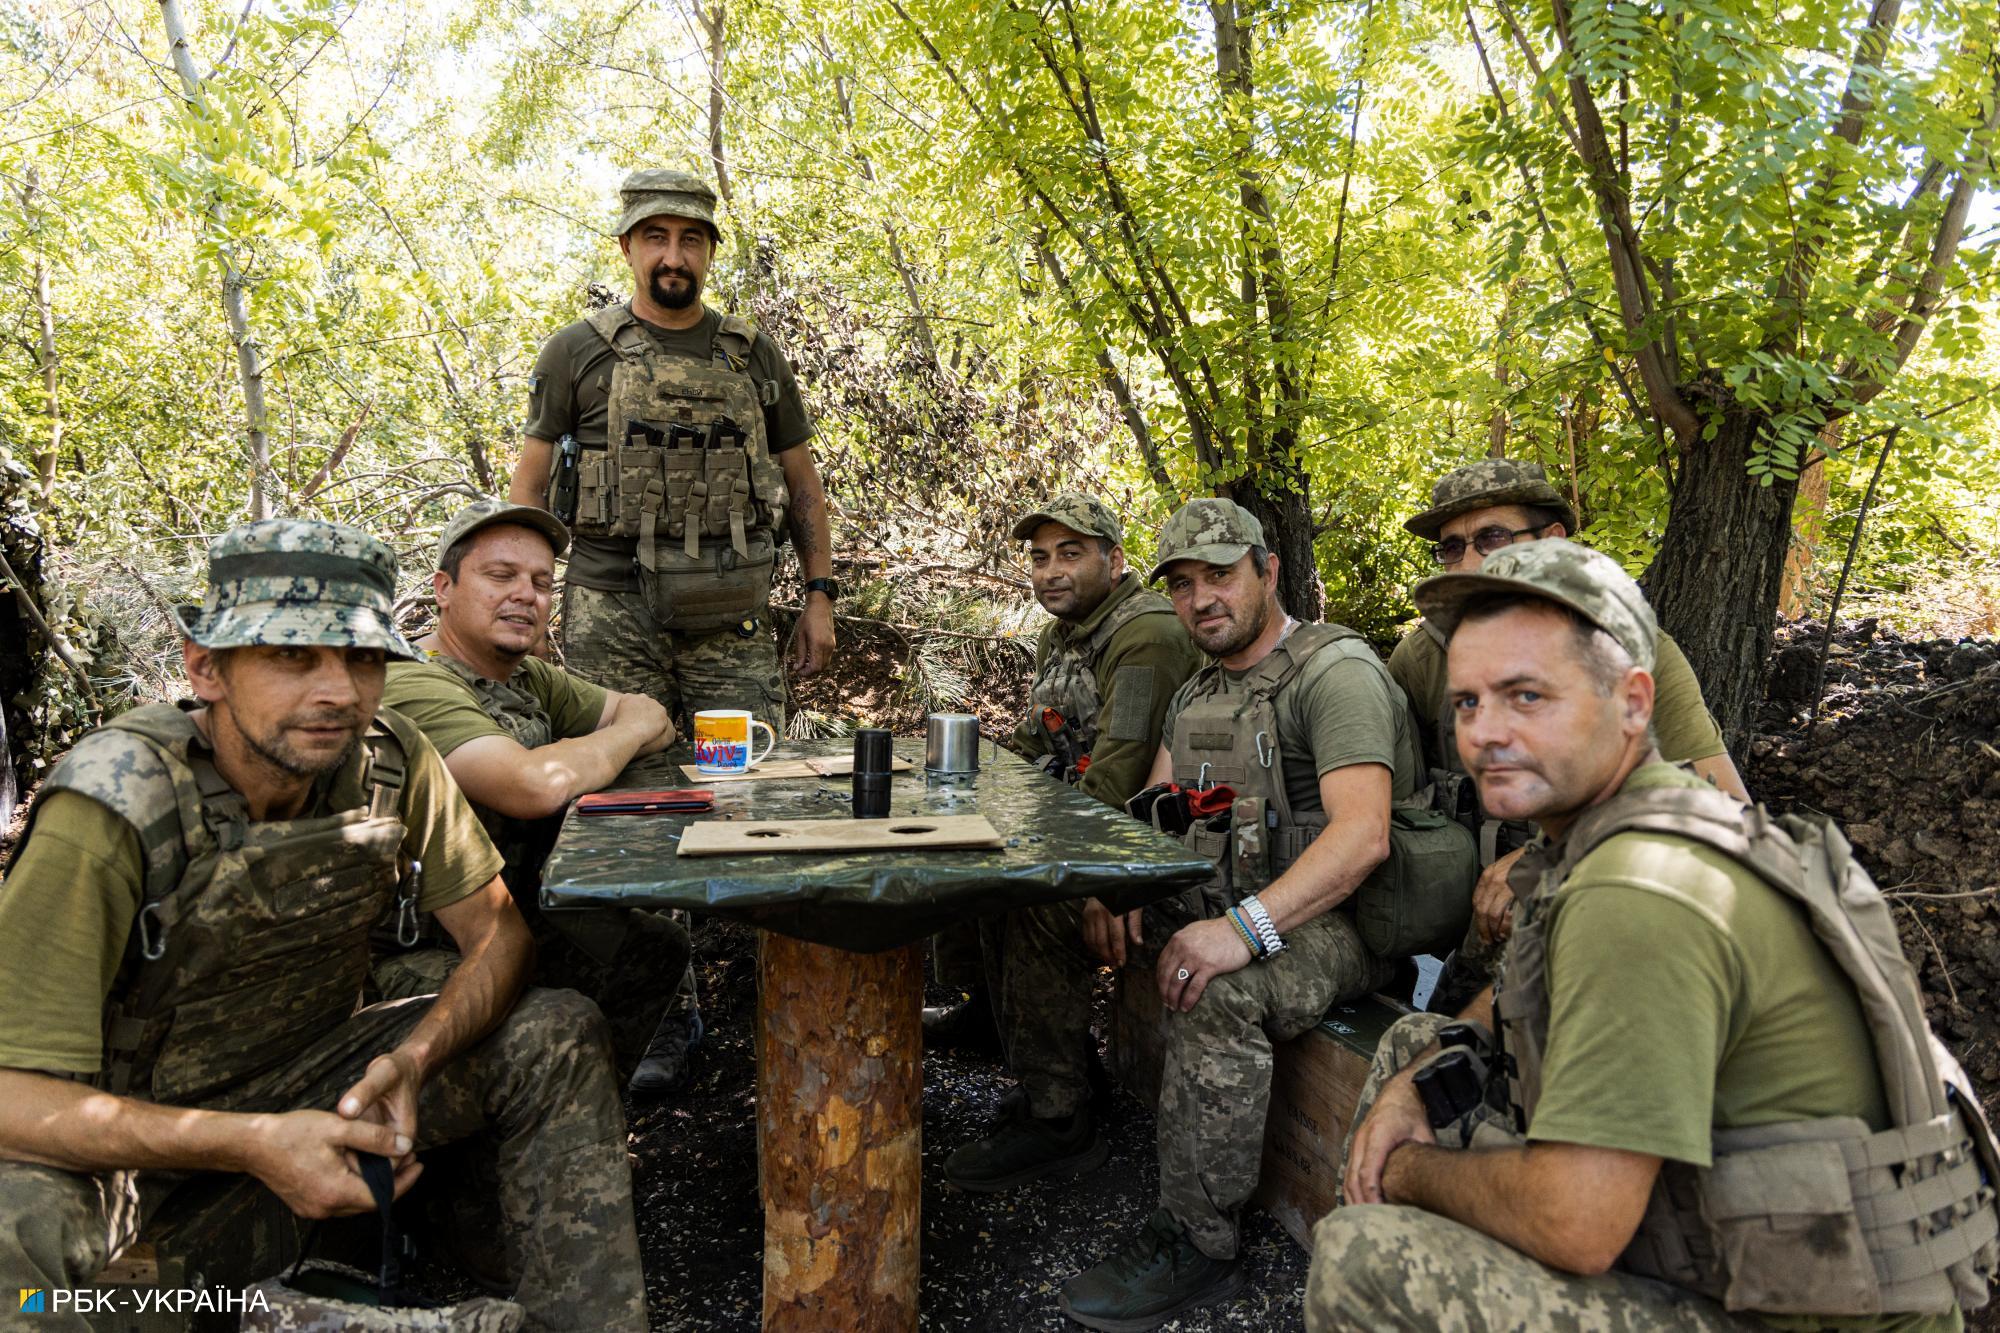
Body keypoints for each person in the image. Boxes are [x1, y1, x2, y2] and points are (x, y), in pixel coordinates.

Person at [1311, 539, 1998, 1332]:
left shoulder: (1638, 891)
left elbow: (1577, 1222)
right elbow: (1519, 992)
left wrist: (1407, 1172)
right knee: (1419, 1047)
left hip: (1800, 1312)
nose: (1485, 734)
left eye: (1527, 696)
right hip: (1755, 1252)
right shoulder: (1646, 822)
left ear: (1636, 701)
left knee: (1364, 1259)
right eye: (1468, 702)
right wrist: (1411, 1084)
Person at [0, 520, 645, 1331]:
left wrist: (414, 1058)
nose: (338, 690)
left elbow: (498, 935)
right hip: (132, 1149)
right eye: (293, 656)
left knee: (555, 1029)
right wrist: (250, 1142)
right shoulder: (114, 807)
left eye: (363, 658)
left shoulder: (387, 758)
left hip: (315, 1086)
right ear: (208, 668)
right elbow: (10, 1099)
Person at [962, 499, 1426, 1331]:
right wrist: (1113, 890)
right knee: (1049, 901)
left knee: (1212, 987)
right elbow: (1155, 812)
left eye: (1220, 575)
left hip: (1335, 923)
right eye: (1182, 584)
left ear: (1267, 571)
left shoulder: (1335, 671)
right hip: (1236, 896)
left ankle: (1198, 1236)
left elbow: (1362, 840)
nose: (1201, 598)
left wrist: (1242, 931)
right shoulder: (1201, 689)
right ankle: (1061, 1106)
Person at [508, 168, 838, 1075]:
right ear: (627, 247)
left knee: (751, 791)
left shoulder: (751, 355)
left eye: (690, 239)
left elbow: (802, 482)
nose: (673, 255)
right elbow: (530, 491)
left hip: (731, 625)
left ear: (708, 252)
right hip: (615, 617)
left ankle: (790, 994)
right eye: (655, 237)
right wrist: (532, 608)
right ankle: (666, 1011)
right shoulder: (577, 352)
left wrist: (819, 592)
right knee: (634, 808)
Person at [1392, 457, 1749, 1000]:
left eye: (1491, 537)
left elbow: (1726, 810)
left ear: (1552, 539)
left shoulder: (1631, 653)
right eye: (1451, 546)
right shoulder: (1423, 659)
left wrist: (1546, 858)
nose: (1467, 560)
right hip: (1470, 920)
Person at [377, 499, 696, 1091]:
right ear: (444, 588)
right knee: (561, 1021)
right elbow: (529, 786)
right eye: (501, 576)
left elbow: (651, 713)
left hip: (520, 913)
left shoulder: (524, 677)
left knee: (652, 949)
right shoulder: (413, 681)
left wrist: (603, 742)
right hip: (423, 942)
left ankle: (587, 1114)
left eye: (542, 582)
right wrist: (597, 748)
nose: (526, 594)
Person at [922, 491, 1201, 1052]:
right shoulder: (1063, 633)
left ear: (1115, 561)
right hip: (1075, 811)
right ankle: (991, 1014)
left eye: (1070, 554)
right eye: (1040, 557)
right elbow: (1031, 743)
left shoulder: (1145, 636)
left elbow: (1120, 772)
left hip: (1148, 832)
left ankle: (1059, 1104)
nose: (1050, 572)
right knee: (958, 845)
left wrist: (1047, 854)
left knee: (1030, 895)